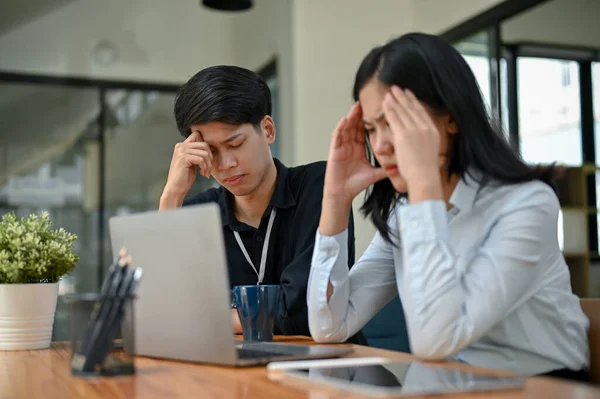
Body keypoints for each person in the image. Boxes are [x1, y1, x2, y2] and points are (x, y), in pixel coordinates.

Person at [307, 33, 590, 380]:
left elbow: (434, 341)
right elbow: (328, 326)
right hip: (451, 380)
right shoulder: (404, 214)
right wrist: (335, 200)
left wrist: (423, 182)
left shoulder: (527, 203)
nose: (381, 145)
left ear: (451, 118)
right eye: (371, 128)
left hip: (541, 384)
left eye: (395, 122)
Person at [159, 65, 357, 338]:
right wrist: (172, 195)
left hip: (323, 366)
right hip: (230, 373)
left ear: (267, 130)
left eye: (235, 144)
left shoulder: (319, 186)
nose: (226, 164)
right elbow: (161, 312)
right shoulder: (198, 213)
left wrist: (205, 319)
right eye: (211, 151)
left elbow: (304, 312)